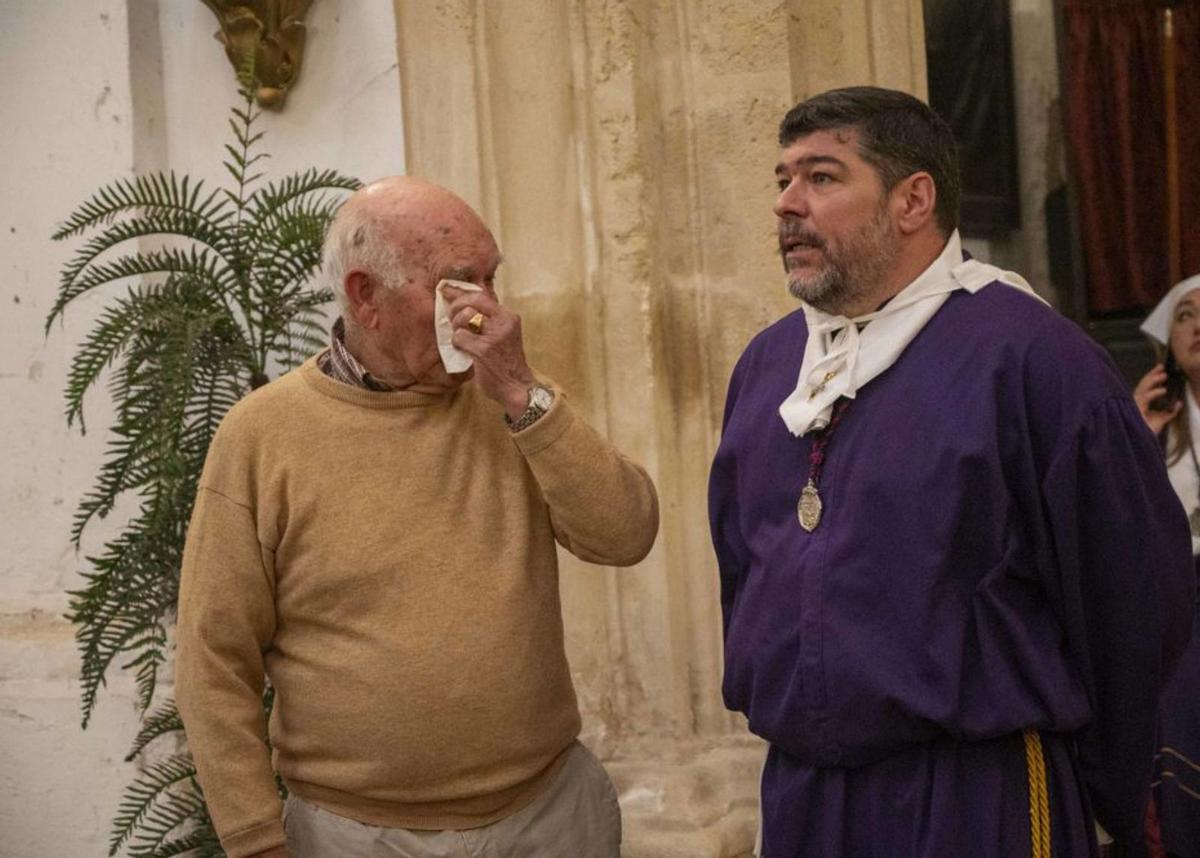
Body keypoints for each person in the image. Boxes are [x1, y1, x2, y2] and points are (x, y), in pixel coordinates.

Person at [707, 86, 1194, 857]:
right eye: (782, 180)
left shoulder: (1035, 361)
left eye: (823, 178)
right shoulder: (770, 366)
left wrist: (1107, 797)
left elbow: (1131, 601)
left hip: (976, 796)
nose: (787, 205)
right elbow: (743, 562)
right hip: (805, 795)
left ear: (913, 200)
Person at [175, 176, 659, 858]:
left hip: (548, 815)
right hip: (356, 834)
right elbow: (212, 658)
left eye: (491, 280)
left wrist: (526, 398)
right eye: (459, 284)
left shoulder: (512, 398)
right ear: (366, 296)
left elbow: (626, 534)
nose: (489, 311)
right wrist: (255, 839)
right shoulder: (263, 434)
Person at [1134, 274, 1200, 858]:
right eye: (1184, 314)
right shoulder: (1153, 425)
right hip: (1183, 605)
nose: (1198, 324)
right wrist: (1133, 435)